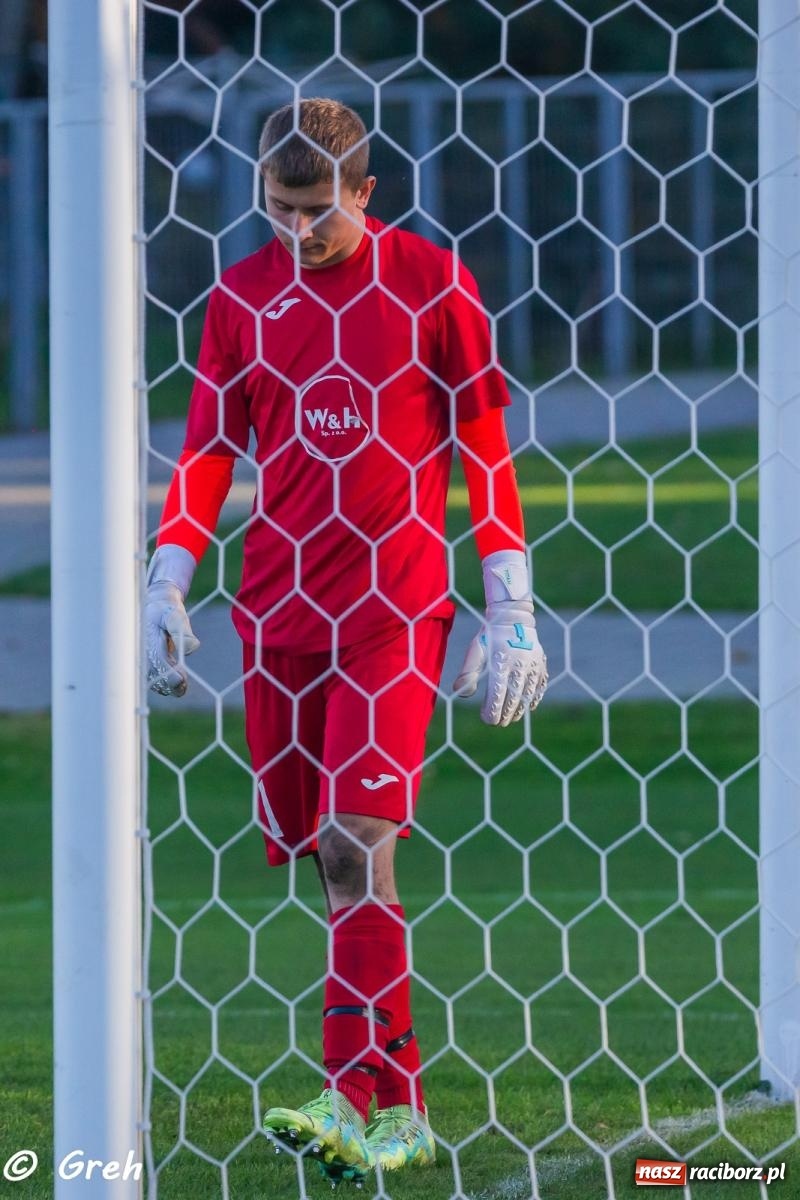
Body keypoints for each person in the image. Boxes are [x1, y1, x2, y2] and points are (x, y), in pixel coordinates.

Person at [145, 97, 547, 1184]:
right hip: (276, 613)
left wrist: (506, 598)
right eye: (278, 211)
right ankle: (401, 1104)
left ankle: (344, 1086)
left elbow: (483, 442)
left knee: (353, 838)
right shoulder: (239, 297)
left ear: (363, 194)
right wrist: (167, 576)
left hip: (395, 610)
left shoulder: (430, 284)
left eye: (317, 211)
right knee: (326, 866)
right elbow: (206, 453)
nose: (296, 232)